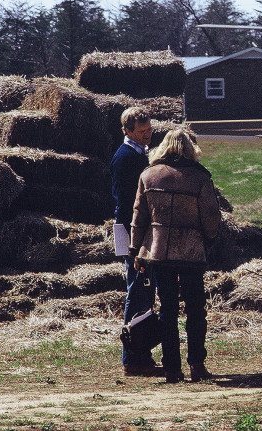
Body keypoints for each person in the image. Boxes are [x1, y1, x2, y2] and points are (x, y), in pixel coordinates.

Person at [130, 129, 222, 383]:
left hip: (158, 251)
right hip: (191, 251)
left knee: (167, 310)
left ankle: (172, 368)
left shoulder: (148, 176)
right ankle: (197, 364)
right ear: (190, 149)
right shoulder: (200, 178)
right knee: (195, 309)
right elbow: (211, 216)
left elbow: (139, 217)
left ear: (163, 148)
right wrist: (209, 239)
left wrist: (135, 249)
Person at [110, 106, 158, 376]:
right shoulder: (125, 157)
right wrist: (135, 239)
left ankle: (141, 352)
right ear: (127, 131)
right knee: (137, 289)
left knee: (143, 290)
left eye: (149, 130)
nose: (147, 135)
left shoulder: (139, 153)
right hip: (130, 230)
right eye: (141, 132)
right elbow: (128, 203)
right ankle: (131, 356)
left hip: (135, 229)